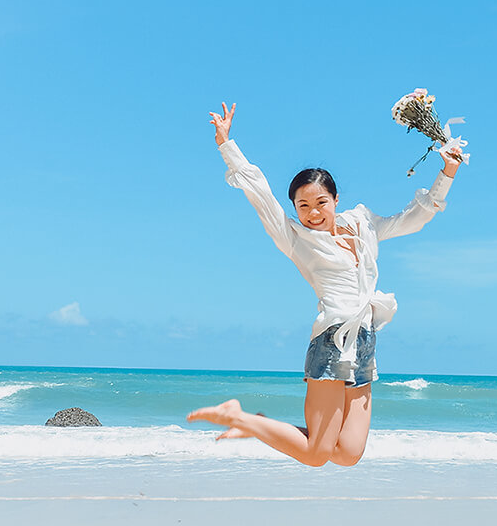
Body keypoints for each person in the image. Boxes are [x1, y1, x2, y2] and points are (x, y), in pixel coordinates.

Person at [187, 102, 465, 466]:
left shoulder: (362, 224)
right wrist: (226, 143)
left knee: (348, 453)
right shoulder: (295, 238)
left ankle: (257, 424)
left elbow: (413, 219)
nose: (313, 213)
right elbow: (259, 192)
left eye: (321, 202)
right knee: (318, 454)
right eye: (303, 206)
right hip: (332, 340)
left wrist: (447, 172)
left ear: (335, 199)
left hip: (364, 341)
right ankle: (238, 415)